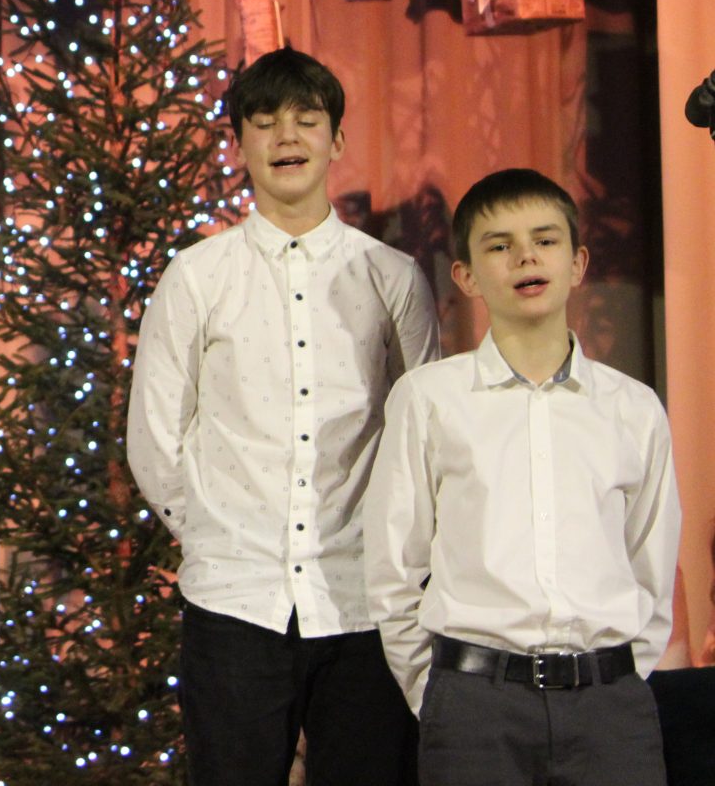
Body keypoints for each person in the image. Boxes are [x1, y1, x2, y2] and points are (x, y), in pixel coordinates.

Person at [127, 47, 440, 786]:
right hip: (234, 602)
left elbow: (423, 434)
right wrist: (215, 535)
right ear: (240, 144)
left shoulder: (391, 276)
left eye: (306, 118)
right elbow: (154, 437)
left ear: (337, 139)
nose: (286, 136)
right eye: (264, 121)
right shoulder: (196, 276)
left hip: (363, 602)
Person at [363, 167, 682, 786]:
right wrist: (434, 691)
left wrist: (620, 677)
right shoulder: (430, 399)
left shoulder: (632, 407)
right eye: (500, 246)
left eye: (545, 240)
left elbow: (652, 560)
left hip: (608, 708)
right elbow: (393, 566)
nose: (526, 258)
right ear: (467, 276)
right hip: (477, 708)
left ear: (577, 263)